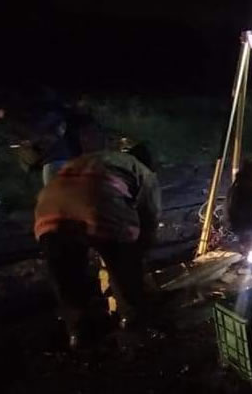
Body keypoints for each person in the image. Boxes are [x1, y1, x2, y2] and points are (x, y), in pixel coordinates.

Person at [34, 140, 160, 350]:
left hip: (47, 210)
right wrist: (139, 254)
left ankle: (78, 333)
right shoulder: (144, 171)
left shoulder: (96, 159)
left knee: (67, 278)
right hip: (98, 207)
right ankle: (132, 326)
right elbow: (150, 216)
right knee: (125, 272)